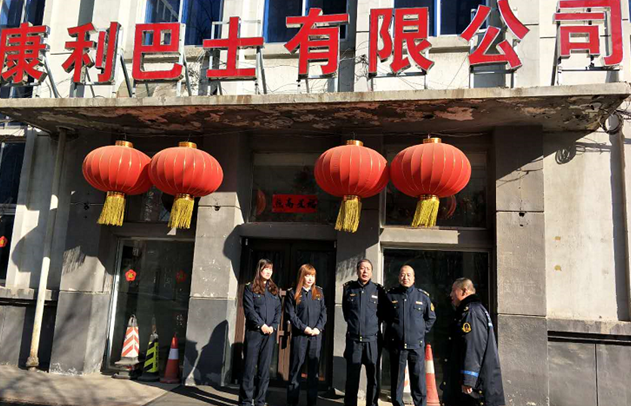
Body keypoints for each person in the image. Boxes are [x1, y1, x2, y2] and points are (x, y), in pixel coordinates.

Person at [442, 278, 505, 406]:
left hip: (474, 388)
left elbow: (473, 346)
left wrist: (468, 378)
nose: (451, 294)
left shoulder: (472, 312)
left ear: (464, 291)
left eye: (453, 291)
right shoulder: (474, 310)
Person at [385, 265, 436, 406]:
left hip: (416, 346)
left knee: (418, 381)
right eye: (402, 274)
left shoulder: (423, 297)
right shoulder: (391, 296)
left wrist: (420, 332)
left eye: (408, 275)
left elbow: (431, 318)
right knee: (397, 381)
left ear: (414, 278)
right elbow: (385, 317)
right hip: (398, 345)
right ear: (398, 277)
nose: (405, 278)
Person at [342, 259, 387, 406]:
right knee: (352, 378)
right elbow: (346, 313)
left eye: (368, 268)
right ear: (357, 271)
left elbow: (382, 314)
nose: (365, 271)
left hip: (372, 341)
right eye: (362, 268)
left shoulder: (378, 290)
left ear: (372, 272)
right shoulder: (349, 289)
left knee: (373, 378)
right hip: (354, 340)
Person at [239, 259, 282, 406]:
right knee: (249, 368)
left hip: (269, 334)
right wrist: (261, 325)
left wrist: (274, 326)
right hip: (254, 333)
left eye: (271, 269)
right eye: (266, 269)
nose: (269, 272)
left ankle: (260, 401)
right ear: (259, 270)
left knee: (264, 370)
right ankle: (246, 401)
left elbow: (278, 310)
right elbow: (249, 310)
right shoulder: (250, 288)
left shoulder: (274, 289)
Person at [285, 264, 328, 406]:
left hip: (316, 336)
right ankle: (292, 402)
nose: (310, 279)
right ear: (301, 276)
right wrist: (304, 328)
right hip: (300, 336)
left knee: (313, 371)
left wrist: (318, 328)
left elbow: (324, 312)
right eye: (307, 275)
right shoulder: (293, 293)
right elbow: (291, 314)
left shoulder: (319, 292)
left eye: (312, 276)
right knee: (296, 369)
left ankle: (312, 402)